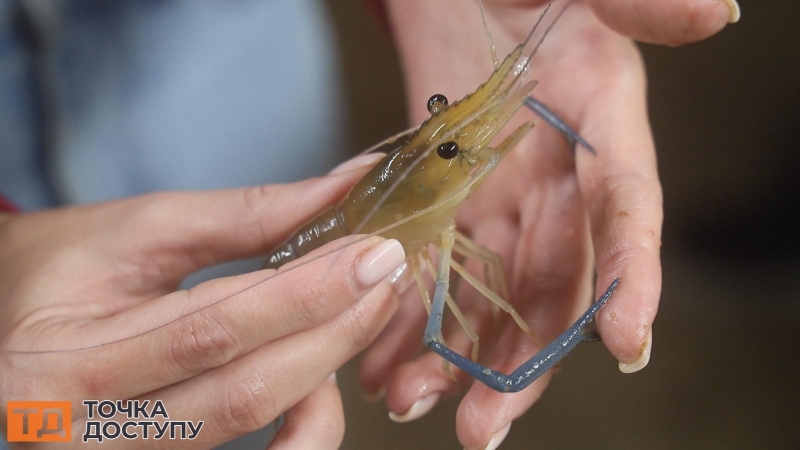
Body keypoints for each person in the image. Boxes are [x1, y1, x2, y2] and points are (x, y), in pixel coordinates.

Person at [0, 0, 739, 448]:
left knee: (239, 407)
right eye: (448, 139)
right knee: (60, 421)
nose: (463, 133)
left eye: (445, 129)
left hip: (217, 51)